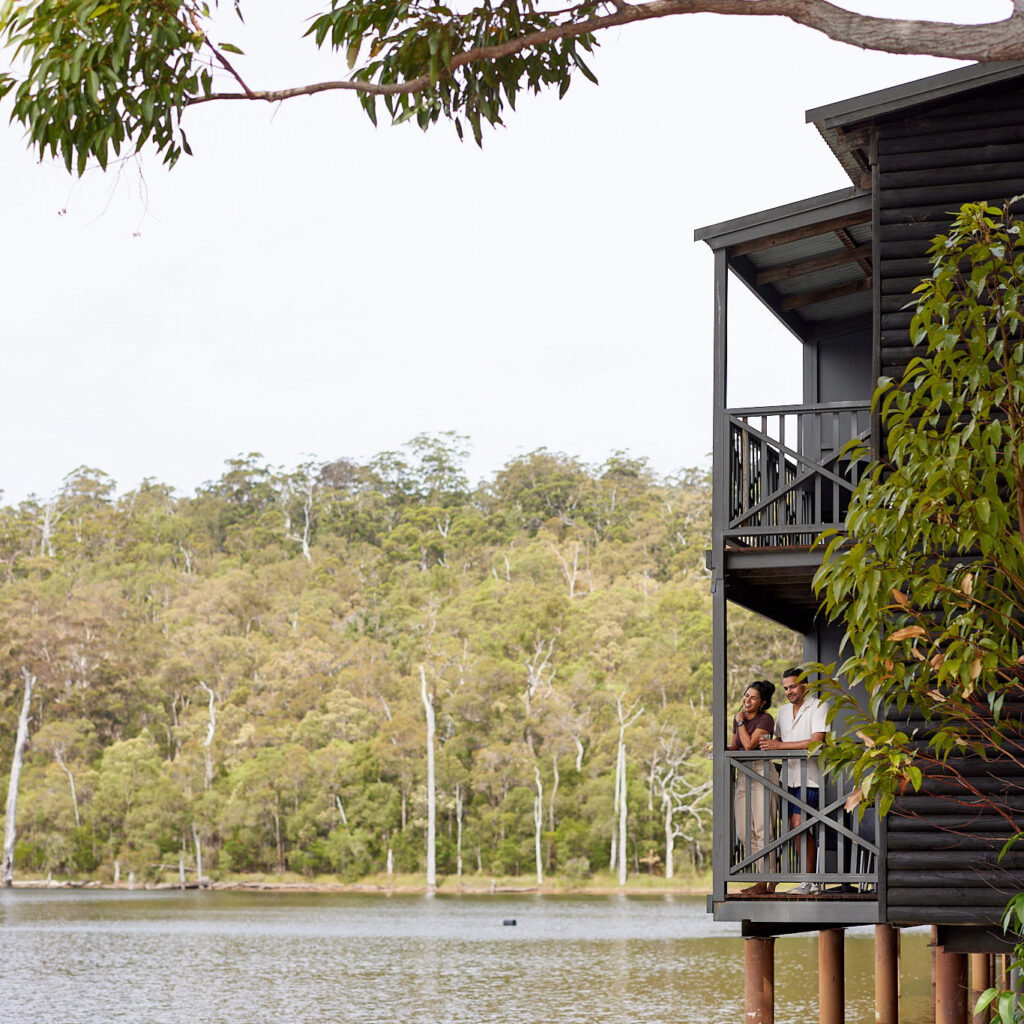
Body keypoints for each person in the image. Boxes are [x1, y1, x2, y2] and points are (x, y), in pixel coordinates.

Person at [758, 667, 829, 895]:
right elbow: (778, 739)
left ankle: (810, 882)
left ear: (804, 686)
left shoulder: (819, 706)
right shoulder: (783, 712)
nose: (789, 691)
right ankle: (807, 881)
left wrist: (779, 746)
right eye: (786, 687)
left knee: (800, 825)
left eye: (793, 686)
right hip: (788, 778)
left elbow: (816, 741)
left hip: (811, 778)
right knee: (794, 827)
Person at [728, 679, 778, 895]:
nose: (747, 700)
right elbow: (734, 745)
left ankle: (766, 881)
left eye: (753, 697)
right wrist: (721, 750)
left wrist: (740, 724)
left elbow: (748, 746)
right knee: (744, 832)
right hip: (743, 775)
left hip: (761, 772)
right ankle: (762, 878)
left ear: (762, 702)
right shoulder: (737, 719)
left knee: (763, 829)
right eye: (746, 695)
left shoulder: (765, 719)